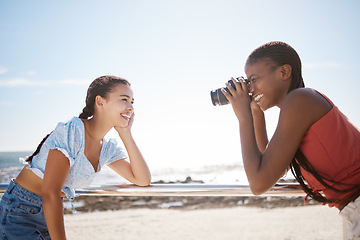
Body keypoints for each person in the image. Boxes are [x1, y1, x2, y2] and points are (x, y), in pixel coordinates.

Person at [222, 41, 360, 239]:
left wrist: (243, 117)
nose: (250, 89)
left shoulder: (300, 100)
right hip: (352, 212)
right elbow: (273, 167)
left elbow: (259, 183)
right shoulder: (298, 105)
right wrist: (255, 114)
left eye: (253, 80)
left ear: (284, 72)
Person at [0, 75, 151, 239]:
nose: (130, 107)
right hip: (20, 210)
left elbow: (142, 179)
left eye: (132, 102)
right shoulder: (72, 131)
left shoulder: (107, 148)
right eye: (124, 99)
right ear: (100, 101)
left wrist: (126, 134)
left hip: (47, 212)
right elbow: (50, 193)